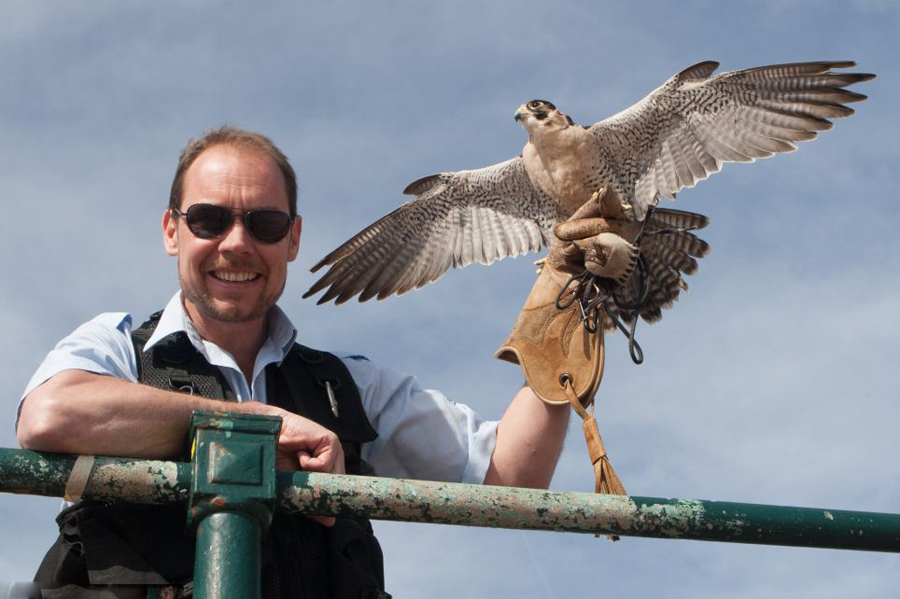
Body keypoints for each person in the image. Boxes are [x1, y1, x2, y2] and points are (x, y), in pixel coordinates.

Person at [16, 127, 575, 598]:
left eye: (265, 225)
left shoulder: (352, 387)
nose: (236, 244)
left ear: (294, 239)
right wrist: (258, 426)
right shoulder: (114, 349)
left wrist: (573, 311)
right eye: (209, 220)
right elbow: (49, 417)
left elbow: (514, 476)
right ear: (172, 231)